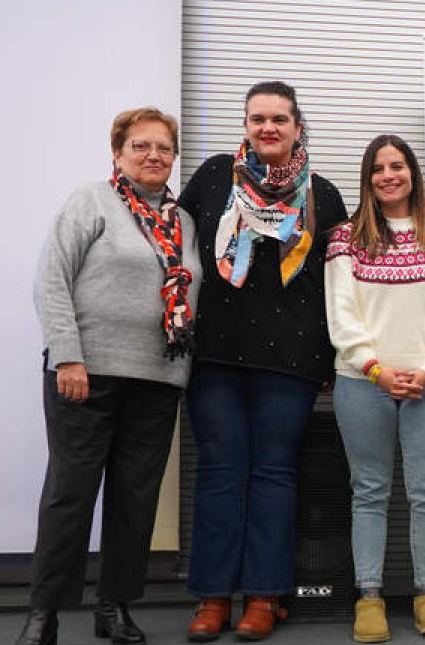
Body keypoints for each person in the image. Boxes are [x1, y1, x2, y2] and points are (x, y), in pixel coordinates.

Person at [19, 107, 200, 645]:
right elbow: (52, 280)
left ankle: (115, 607)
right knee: (69, 494)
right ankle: (43, 613)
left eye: (163, 148)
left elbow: (191, 300)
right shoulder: (90, 201)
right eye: (141, 146)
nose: (153, 156)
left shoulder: (182, 220)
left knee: (134, 499)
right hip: (86, 374)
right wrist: (67, 356)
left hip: (156, 378)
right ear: (118, 153)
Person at [179, 81, 347, 641]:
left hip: (292, 358)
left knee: (275, 475)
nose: (268, 128)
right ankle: (211, 597)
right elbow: (175, 253)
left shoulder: (323, 194)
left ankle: (264, 596)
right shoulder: (210, 177)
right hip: (215, 353)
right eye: (258, 119)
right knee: (221, 473)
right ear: (245, 126)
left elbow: (336, 284)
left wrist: (331, 355)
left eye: (279, 119)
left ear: (298, 127)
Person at [325, 134, 425, 642]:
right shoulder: (345, 239)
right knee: (369, 492)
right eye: (378, 169)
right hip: (363, 384)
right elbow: (341, 317)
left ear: (413, 173)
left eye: (398, 166)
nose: (388, 175)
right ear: (367, 180)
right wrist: (376, 371)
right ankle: (370, 598)